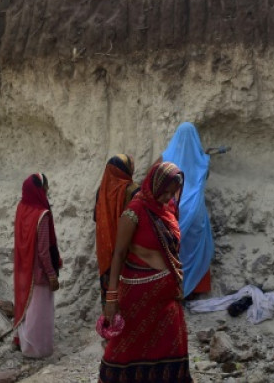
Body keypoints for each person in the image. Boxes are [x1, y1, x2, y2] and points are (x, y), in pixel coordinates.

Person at [99, 162, 191, 383]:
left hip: (167, 295)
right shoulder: (134, 212)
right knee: (125, 349)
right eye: (164, 192)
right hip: (137, 298)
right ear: (154, 185)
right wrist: (111, 298)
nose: (167, 197)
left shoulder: (168, 210)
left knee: (172, 346)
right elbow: (118, 255)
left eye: (172, 192)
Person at [161, 121, 226, 297]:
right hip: (196, 213)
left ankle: (174, 290)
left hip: (175, 211)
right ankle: (195, 291)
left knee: (177, 250)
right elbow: (203, 177)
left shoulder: (166, 159)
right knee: (195, 249)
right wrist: (202, 156)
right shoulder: (203, 161)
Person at [13, 173, 62, 358]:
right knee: (39, 312)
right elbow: (43, 250)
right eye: (46, 188)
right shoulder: (42, 214)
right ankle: (36, 349)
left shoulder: (22, 207)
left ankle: (22, 341)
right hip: (39, 273)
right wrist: (51, 274)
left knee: (27, 306)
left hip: (24, 268)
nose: (47, 191)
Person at [93, 154, 139, 303]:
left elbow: (96, 217)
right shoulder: (133, 190)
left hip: (105, 249)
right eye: (130, 165)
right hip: (129, 249)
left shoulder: (101, 190)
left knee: (109, 289)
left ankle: (111, 321)